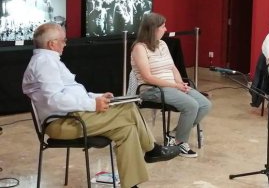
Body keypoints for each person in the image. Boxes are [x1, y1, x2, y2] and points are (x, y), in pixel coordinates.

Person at [22, 22, 180, 188]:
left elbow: (70, 92)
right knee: (128, 107)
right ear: (52, 44)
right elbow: (55, 100)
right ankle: (152, 150)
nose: (65, 44)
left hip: (73, 117)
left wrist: (96, 97)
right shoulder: (44, 62)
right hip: (61, 123)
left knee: (126, 129)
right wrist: (92, 104)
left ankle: (132, 184)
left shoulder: (48, 60)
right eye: (63, 40)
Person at [130, 12, 212, 158]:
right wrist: (175, 86)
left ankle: (174, 134)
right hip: (152, 89)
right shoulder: (139, 48)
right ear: (153, 29)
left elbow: (173, 67)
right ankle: (180, 143)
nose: (166, 29)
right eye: (163, 26)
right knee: (191, 105)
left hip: (172, 86)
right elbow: (148, 77)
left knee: (205, 104)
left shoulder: (162, 44)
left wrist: (180, 83)